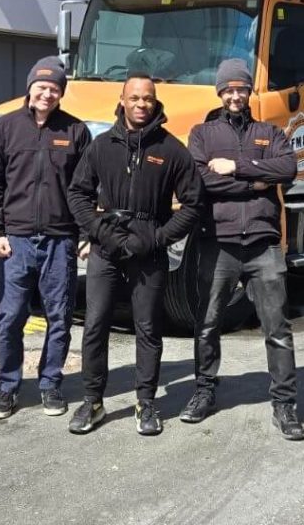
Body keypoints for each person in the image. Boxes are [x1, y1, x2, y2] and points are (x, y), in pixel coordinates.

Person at [67, 74, 203, 437]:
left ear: (156, 102)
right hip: (106, 246)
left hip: (149, 249)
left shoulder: (171, 149)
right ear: (122, 100)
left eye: (148, 99)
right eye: (135, 98)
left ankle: (146, 402)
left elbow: (193, 203)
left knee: (148, 328)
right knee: (95, 325)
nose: (141, 104)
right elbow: (78, 194)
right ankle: (92, 401)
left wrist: (159, 238)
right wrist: (98, 232)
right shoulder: (101, 146)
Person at [180, 58, 304, 440]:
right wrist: (256, 183)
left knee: (277, 327)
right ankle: (204, 391)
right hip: (218, 242)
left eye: (241, 89)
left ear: (250, 91)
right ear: (220, 92)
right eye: (229, 89)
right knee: (207, 324)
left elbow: (287, 169)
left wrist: (236, 168)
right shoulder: (202, 134)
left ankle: (285, 404)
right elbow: (201, 182)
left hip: (263, 243)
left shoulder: (270, 132)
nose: (236, 95)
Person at [0, 56, 90, 421]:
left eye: (55, 88)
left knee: (59, 317)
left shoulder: (75, 131)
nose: (47, 93)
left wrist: (85, 233)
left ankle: (50, 384)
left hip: (61, 240)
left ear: (61, 93)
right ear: (30, 88)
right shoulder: (5, 128)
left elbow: (85, 188)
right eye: (42, 86)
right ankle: (7, 387)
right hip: (17, 239)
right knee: (9, 316)